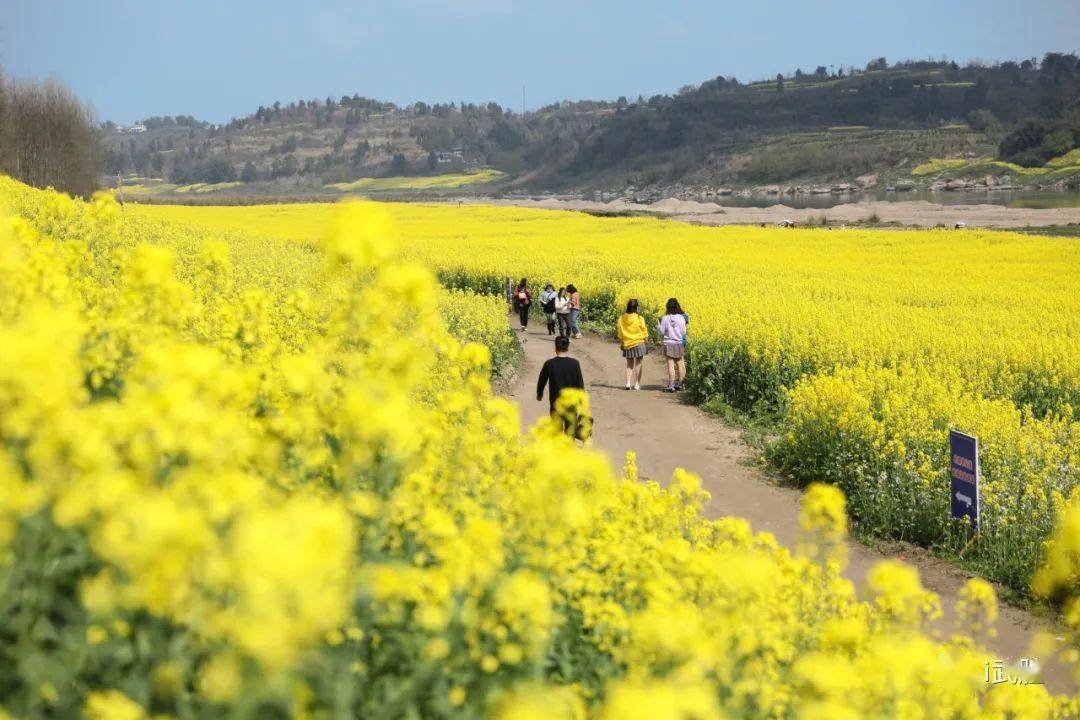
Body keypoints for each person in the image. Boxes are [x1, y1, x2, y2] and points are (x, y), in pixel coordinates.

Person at [536, 335, 585, 416]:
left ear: (555, 348)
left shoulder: (549, 363)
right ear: (567, 347)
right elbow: (579, 382)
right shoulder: (575, 363)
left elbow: (542, 380)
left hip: (556, 402)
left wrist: (539, 394)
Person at [616, 299, 648, 390]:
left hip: (627, 344)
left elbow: (620, 333)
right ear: (636, 307)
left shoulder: (621, 318)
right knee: (638, 364)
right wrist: (646, 341)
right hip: (639, 343)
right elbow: (644, 330)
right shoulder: (639, 318)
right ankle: (637, 384)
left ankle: (628, 384)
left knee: (629, 365)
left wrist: (622, 343)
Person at [659, 298, 688, 392]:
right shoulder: (681, 318)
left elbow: (662, 331)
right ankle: (680, 384)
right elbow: (684, 331)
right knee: (680, 364)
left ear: (667, 307)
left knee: (670, 365)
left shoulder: (665, 318)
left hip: (668, 343)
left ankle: (671, 385)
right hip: (679, 343)